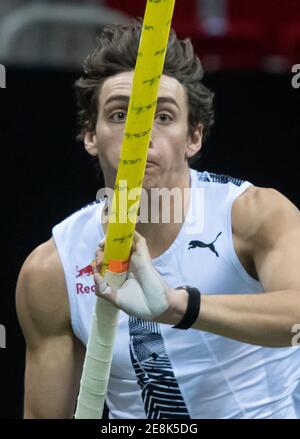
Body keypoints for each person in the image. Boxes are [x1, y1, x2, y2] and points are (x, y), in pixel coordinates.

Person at [16, 21, 300, 419]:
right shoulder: (52, 270)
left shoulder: (254, 215)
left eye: (162, 117)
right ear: (90, 135)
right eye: (119, 115)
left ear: (193, 137)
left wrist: (179, 307)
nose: (140, 134)